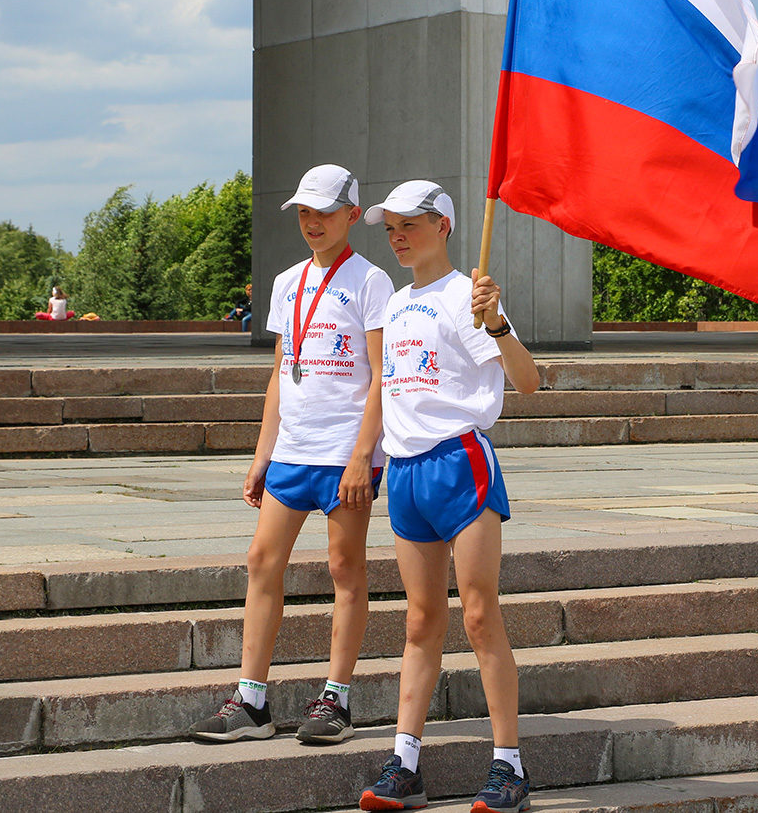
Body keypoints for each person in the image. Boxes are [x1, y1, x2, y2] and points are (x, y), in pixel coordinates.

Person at [189, 165, 395, 746]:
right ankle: (251, 700)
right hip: (293, 450)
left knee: (343, 569)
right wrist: (262, 453)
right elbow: (282, 370)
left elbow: (381, 376)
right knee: (261, 560)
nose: (312, 223)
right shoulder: (286, 283)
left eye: (324, 213)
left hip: (344, 454)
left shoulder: (370, 282)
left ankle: (337, 699)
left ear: (353, 215)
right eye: (304, 212)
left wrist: (363, 456)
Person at [356, 180, 540, 813]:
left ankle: (509, 765)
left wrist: (499, 322)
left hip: (461, 464)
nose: (398, 235)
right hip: (405, 474)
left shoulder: (471, 294)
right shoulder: (399, 302)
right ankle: (406, 764)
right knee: (418, 621)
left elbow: (529, 384)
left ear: (445, 227)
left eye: (410, 223)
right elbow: (382, 390)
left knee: (480, 614)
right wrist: (367, 458)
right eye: (390, 228)